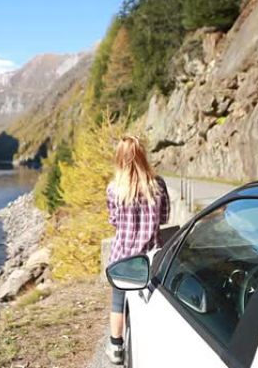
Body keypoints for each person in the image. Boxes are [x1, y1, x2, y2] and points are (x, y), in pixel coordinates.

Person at [104, 136, 170, 364]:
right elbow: (164, 217)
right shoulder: (158, 185)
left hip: (122, 258)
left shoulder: (113, 189)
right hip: (151, 257)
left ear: (119, 159)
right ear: (143, 156)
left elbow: (114, 221)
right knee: (150, 302)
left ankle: (116, 348)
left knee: (117, 303)